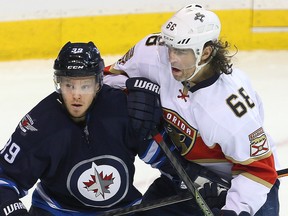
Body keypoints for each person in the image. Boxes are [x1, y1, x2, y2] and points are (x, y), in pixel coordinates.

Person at [104, 4, 281, 216]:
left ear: (205, 53)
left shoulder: (230, 108)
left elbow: (260, 171)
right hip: (185, 175)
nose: (171, 57)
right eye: (170, 47)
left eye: (180, 51)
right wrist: (133, 90)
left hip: (242, 184)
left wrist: (233, 211)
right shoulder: (153, 52)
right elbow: (107, 78)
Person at [0, 41, 174, 216]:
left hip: (123, 211)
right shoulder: (40, 123)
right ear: (58, 83)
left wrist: (192, 174)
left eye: (85, 86)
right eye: (69, 85)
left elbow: (167, 161)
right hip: (57, 212)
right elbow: (5, 179)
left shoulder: (123, 110)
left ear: (98, 83)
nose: (76, 95)